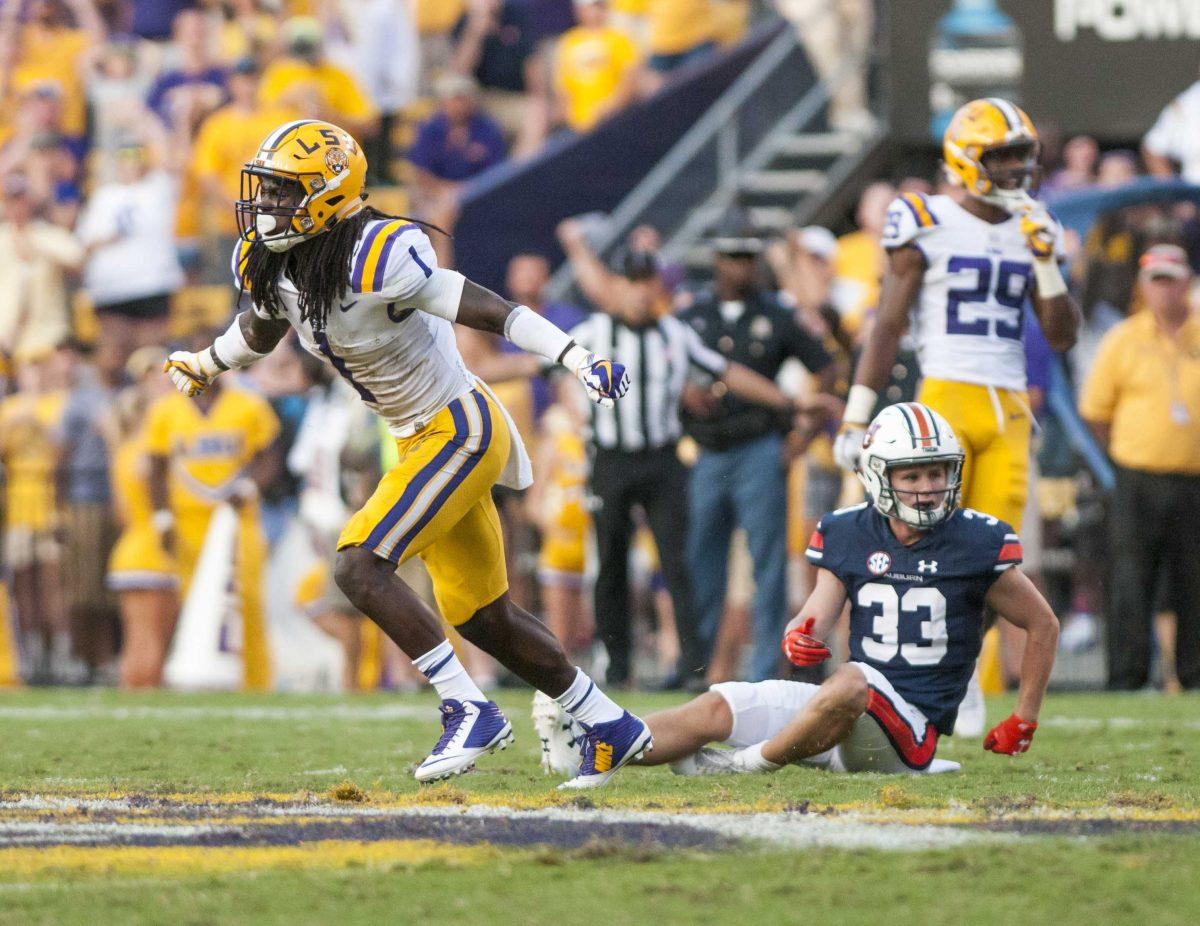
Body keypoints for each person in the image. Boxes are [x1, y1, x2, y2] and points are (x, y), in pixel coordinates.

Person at [162, 119, 650, 789]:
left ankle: (467, 707)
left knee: (359, 564)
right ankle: (609, 723)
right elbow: (263, 325)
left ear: (330, 195)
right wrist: (207, 361)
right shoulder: (273, 256)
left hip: (460, 427)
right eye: (266, 190)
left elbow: (485, 308)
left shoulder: (380, 252)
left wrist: (573, 356)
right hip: (415, 437)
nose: (267, 205)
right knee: (483, 616)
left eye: (283, 192)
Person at [537, 403, 1060, 778]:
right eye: (913, 475)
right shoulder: (848, 530)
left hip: (910, 732)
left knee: (853, 679)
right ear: (878, 476)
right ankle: (595, 746)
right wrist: (799, 635)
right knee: (721, 703)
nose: (928, 487)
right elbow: (815, 613)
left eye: (937, 473)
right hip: (840, 707)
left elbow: (1042, 624)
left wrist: (1025, 717)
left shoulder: (976, 539)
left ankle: (747, 765)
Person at [832, 98, 1080, 723]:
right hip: (943, 397)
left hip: (1011, 407)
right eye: (1001, 157)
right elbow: (887, 322)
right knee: (932, 549)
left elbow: (1063, 335)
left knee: (996, 562)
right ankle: (934, 685)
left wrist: (1048, 264)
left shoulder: (1033, 224)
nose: (1016, 170)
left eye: (1022, 156)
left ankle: (962, 676)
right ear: (966, 159)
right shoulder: (925, 217)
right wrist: (858, 415)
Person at [679, 219, 835, 683]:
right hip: (706, 449)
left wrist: (802, 435)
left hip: (760, 447)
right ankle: (698, 664)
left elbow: (825, 368)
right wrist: (684, 393)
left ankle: (767, 667)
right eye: (734, 257)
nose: (742, 267)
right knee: (701, 560)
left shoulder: (778, 313)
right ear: (717, 260)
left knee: (768, 563)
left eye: (749, 257)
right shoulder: (693, 315)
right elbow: (662, 368)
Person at [1079, 244, 1200, 691]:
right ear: (1144, 287)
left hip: (1194, 478)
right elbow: (1095, 411)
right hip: (1137, 476)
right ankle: (1126, 677)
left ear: (1188, 281)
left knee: (1194, 580)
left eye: (1172, 278)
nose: (1165, 289)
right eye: (1157, 280)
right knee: (1130, 578)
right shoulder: (1124, 339)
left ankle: (1193, 675)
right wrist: (1123, 453)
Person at [146, 333, 281, 692]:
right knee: (195, 601)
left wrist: (250, 486)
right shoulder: (165, 410)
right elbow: (156, 467)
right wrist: (162, 518)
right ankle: (200, 678)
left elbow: (269, 456)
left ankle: (255, 683)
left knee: (246, 598)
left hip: (237, 521)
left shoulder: (247, 405)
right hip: (188, 522)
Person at [76, 142, 185, 385]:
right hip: (112, 287)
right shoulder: (104, 195)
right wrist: (107, 238)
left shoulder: (157, 188)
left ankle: (150, 406)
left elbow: (174, 160)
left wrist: (143, 120)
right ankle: (112, 407)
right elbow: (85, 242)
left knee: (150, 355)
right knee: (112, 355)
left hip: (153, 282)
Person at [104, 346, 179, 688]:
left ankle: (130, 709)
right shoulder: (150, 452)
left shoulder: (122, 449)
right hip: (154, 550)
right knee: (154, 642)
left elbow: (120, 513)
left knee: (136, 640)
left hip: (129, 547)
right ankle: (146, 706)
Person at [554, 0, 642, 134]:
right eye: (587, 8)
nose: (592, 13)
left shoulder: (619, 39)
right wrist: (571, 116)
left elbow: (629, 79)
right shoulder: (568, 42)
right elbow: (562, 88)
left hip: (613, 120)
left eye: (596, 7)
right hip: (578, 123)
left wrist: (607, 109)